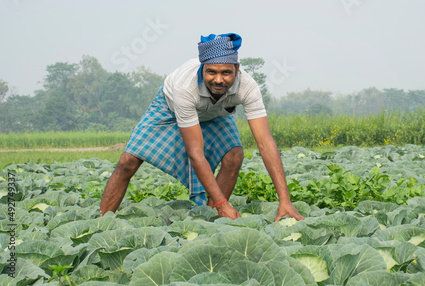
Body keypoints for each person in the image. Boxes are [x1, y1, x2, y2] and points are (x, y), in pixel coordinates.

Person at [99, 33, 304, 221]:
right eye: (211, 72)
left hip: (216, 112)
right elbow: (195, 153)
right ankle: (102, 222)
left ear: (237, 69)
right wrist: (224, 202)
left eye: (226, 73)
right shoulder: (184, 88)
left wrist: (285, 200)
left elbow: (265, 142)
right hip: (169, 109)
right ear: (201, 68)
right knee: (128, 160)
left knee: (234, 155)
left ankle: (210, 220)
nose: (218, 80)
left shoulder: (247, 87)